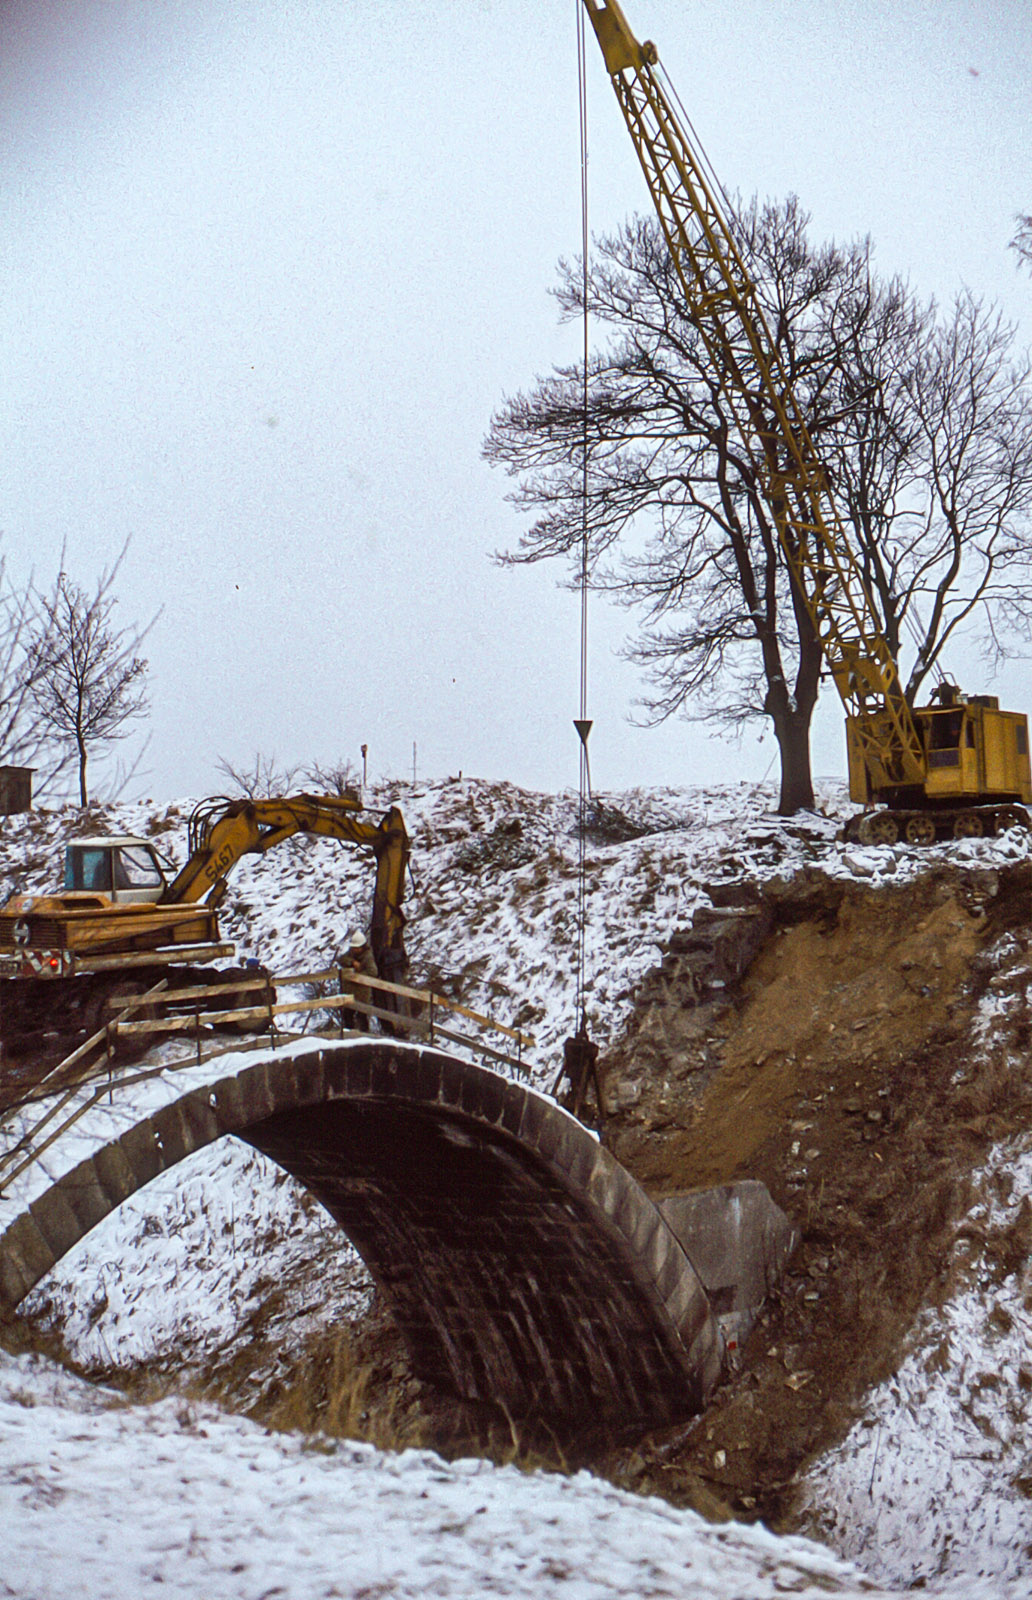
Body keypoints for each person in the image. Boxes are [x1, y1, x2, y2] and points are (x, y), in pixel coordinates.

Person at [341, 929, 378, 1031]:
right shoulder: (351, 954)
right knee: (347, 1016)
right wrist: (352, 962)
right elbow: (341, 959)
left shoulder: (368, 957)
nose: (355, 950)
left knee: (362, 1017)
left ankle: (364, 1037)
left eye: (357, 948)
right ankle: (349, 1036)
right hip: (349, 992)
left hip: (362, 993)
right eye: (354, 948)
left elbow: (373, 972)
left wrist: (357, 977)